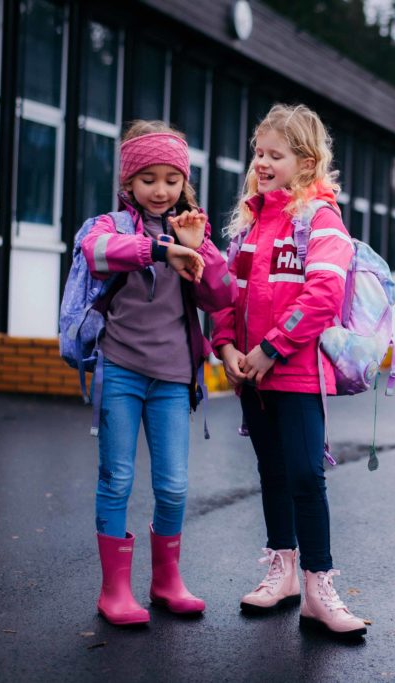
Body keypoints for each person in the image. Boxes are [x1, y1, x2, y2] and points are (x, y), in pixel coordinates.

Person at [211, 104, 367, 637]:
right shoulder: (251, 223)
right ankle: (283, 574)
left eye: (275, 155)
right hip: (253, 377)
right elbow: (227, 295)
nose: (262, 163)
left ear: (306, 162)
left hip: (296, 375)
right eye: (258, 153)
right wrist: (226, 347)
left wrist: (270, 349)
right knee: (272, 473)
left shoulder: (321, 220)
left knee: (304, 474)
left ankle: (319, 588)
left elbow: (323, 295)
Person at [80, 120, 235, 626]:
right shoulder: (109, 226)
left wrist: (198, 247)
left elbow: (221, 296)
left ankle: (166, 582)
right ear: (128, 182)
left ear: (184, 181)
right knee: (117, 479)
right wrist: (160, 250)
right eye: (148, 179)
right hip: (121, 370)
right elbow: (97, 254)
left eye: (172, 179)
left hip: (172, 378)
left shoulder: (191, 231)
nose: (161, 190)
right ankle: (114, 591)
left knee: (173, 486)